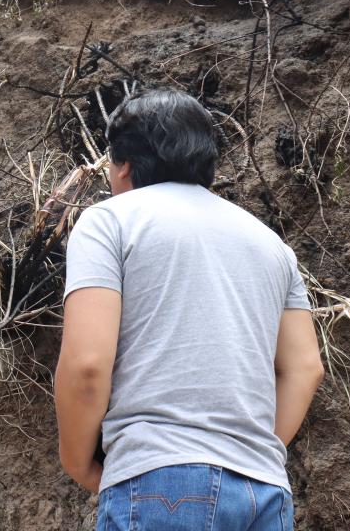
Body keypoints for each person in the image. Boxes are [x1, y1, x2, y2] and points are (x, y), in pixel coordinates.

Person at [54, 88, 324, 530]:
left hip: (162, 479)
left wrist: (79, 463)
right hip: (264, 490)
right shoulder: (271, 245)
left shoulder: (111, 220)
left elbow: (86, 364)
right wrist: (250, 450)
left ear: (122, 165)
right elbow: (306, 368)